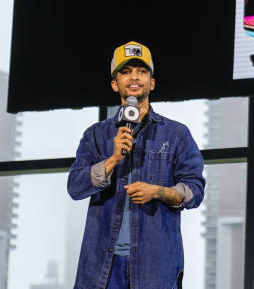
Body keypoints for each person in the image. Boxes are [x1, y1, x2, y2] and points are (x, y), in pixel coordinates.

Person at [67, 41, 205, 289]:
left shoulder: (176, 134)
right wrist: (111, 161)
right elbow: (75, 187)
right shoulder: (95, 135)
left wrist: (158, 192)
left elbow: (195, 190)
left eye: (142, 71)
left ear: (152, 82)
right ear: (114, 83)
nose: (134, 77)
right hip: (102, 268)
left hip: (155, 267)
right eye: (126, 71)